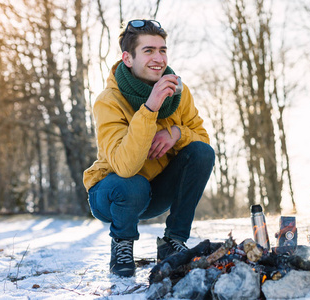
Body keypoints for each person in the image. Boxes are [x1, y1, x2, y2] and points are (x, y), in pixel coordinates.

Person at [83, 19, 215, 277]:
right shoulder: (109, 100)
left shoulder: (178, 91)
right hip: (111, 193)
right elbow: (125, 166)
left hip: (155, 192)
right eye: (148, 50)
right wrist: (150, 108)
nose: (158, 58)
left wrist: (176, 133)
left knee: (201, 153)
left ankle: (173, 242)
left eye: (162, 50)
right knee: (133, 184)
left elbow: (203, 140)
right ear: (128, 58)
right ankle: (122, 243)